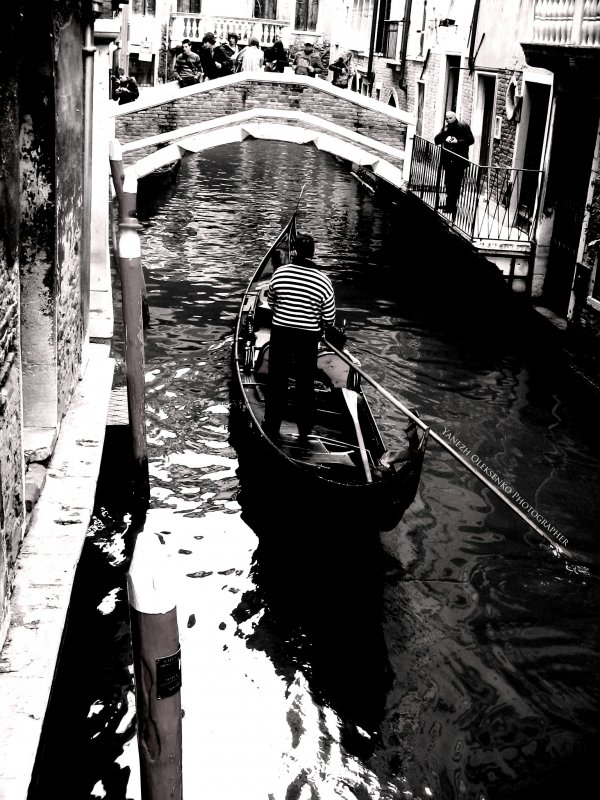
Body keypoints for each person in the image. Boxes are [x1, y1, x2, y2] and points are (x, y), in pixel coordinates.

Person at [264, 233, 336, 442]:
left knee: (277, 380)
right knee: (305, 383)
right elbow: (328, 319)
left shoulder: (280, 273)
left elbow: (271, 303)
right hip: (308, 337)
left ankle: (271, 425)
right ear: (313, 254)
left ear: (294, 252)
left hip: (281, 333)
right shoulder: (324, 281)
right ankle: (304, 429)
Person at [434, 110, 474, 214]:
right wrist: (445, 135)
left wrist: (457, 142)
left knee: (455, 184)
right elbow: (437, 140)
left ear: (455, 117)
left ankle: (452, 206)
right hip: (448, 161)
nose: (448, 120)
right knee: (448, 182)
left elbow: (471, 140)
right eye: (447, 119)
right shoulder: (446, 128)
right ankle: (448, 204)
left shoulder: (463, 126)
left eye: (450, 118)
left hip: (459, 161)